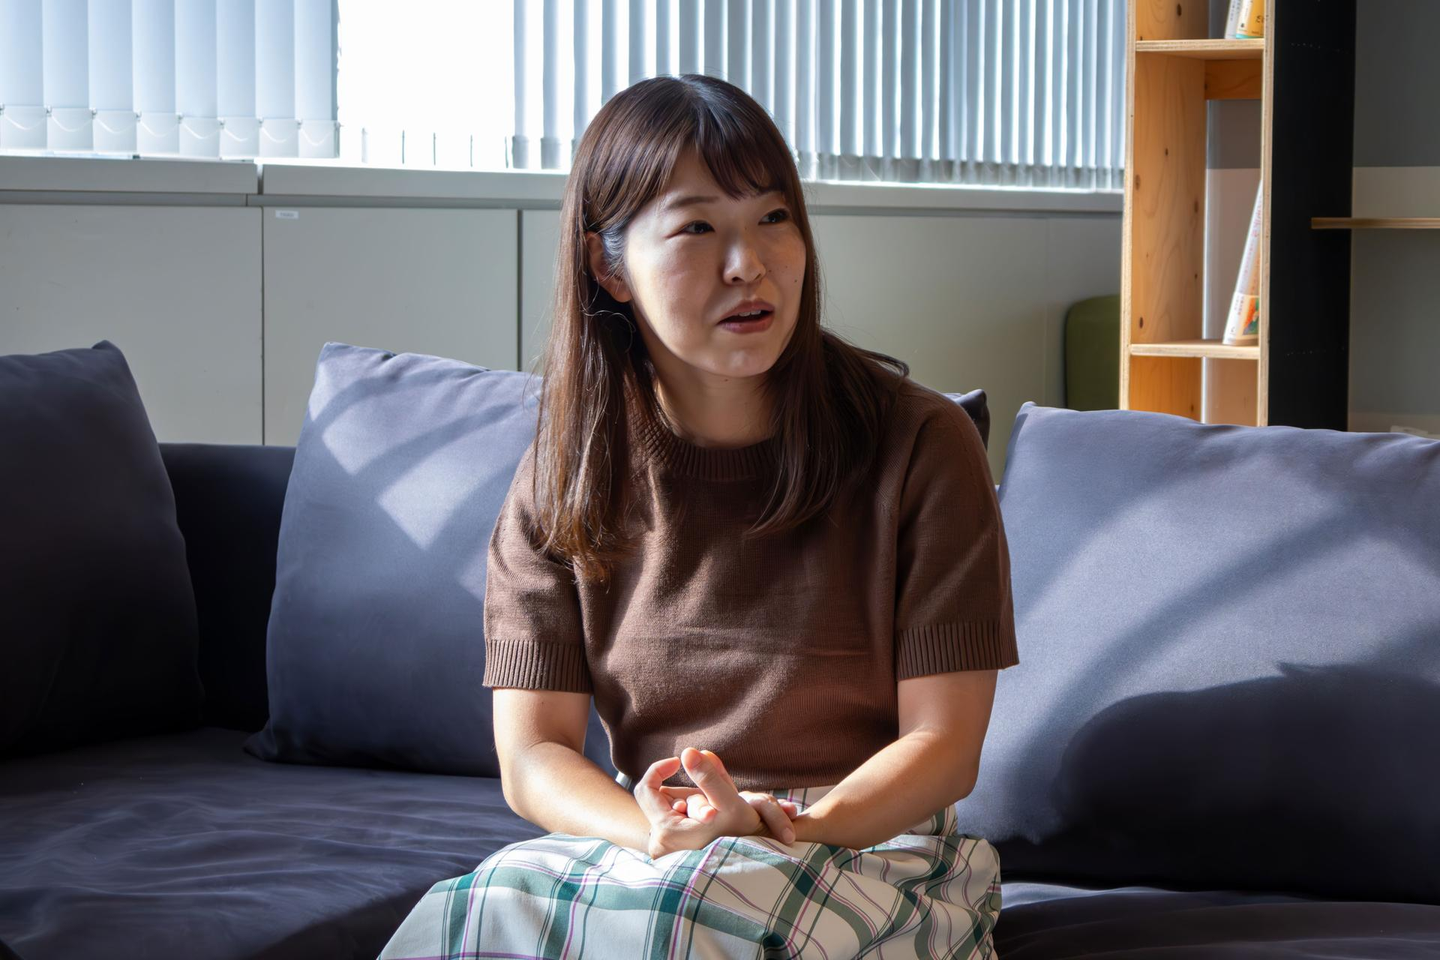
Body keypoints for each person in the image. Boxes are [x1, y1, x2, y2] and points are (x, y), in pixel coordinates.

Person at [378, 73, 1020, 960]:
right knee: (472, 913)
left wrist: (776, 829)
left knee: (686, 924)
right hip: (655, 849)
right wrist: (659, 832)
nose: (748, 263)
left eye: (773, 217)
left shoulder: (919, 444)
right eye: (697, 228)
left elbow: (944, 743)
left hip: (872, 844)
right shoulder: (568, 469)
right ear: (608, 266)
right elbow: (532, 757)